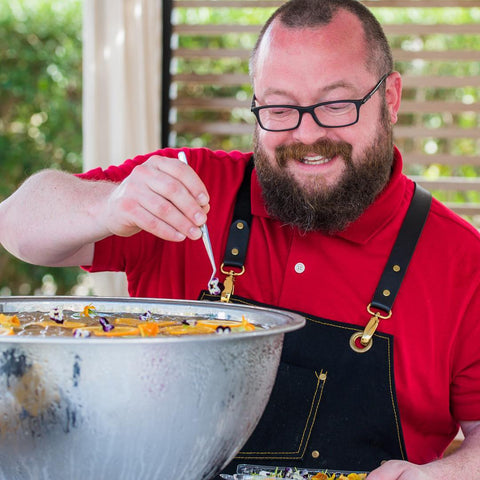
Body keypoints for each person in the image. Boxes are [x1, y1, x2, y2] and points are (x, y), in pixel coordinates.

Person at [1, 0, 480, 478]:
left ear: (390, 98)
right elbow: (16, 226)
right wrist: (107, 206)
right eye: (278, 106)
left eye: (336, 104)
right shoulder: (192, 188)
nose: (306, 133)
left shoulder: (462, 262)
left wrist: (438, 476)